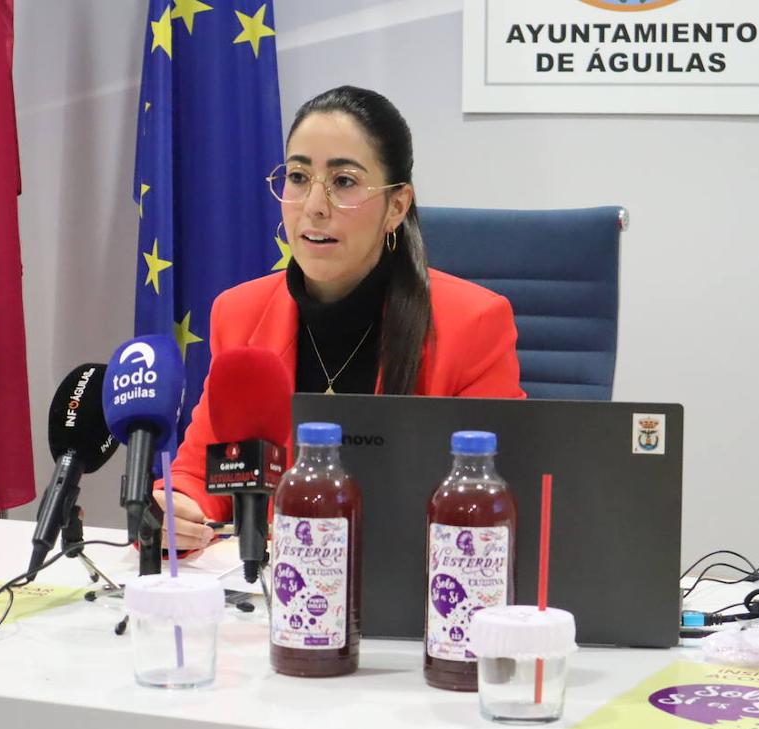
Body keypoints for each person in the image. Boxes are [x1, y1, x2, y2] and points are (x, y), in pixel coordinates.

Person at [155, 85, 524, 548]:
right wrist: (177, 509)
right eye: (298, 177)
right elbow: (201, 470)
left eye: (344, 181)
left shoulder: (474, 323)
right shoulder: (240, 314)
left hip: (412, 583)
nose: (314, 206)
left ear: (397, 206)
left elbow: (495, 501)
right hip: (273, 582)